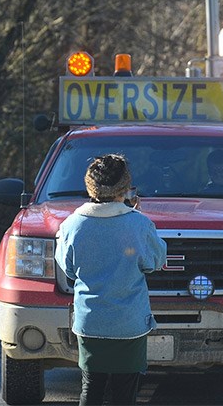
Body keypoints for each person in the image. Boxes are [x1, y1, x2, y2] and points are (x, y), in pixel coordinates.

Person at [55, 154, 167, 405]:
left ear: (90, 185)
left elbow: (69, 270)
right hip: (129, 324)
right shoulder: (139, 224)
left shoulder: (72, 225)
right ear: (125, 188)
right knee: (124, 393)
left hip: (91, 323)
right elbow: (154, 262)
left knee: (91, 387)